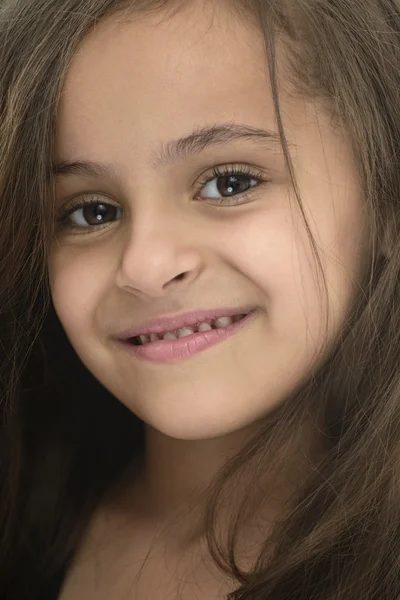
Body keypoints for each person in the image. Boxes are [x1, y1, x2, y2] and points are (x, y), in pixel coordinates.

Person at [0, 0, 399, 598]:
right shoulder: (25, 515)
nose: (146, 266)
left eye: (228, 183)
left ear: (386, 198)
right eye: (92, 211)